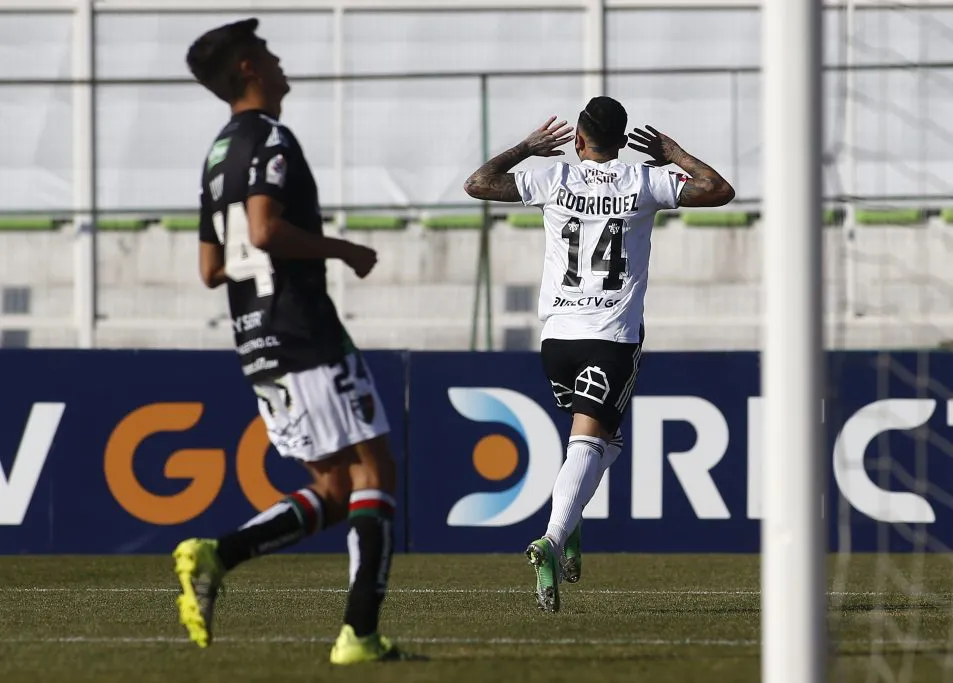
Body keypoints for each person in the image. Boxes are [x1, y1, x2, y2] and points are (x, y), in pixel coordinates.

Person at [174, 18, 406, 663]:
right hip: (303, 327)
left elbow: (210, 269)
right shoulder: (272, 137)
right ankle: (359, 634)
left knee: (335, 490)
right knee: (375, 471)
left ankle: (219, 554)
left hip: (255, 338)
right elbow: (267, 229)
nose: (278, 60)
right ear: (249, 69)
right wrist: (346, 249)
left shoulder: (218, 153)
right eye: (267, 52)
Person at [464, 97, 735, 612]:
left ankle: (570, 526)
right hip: (611, 336)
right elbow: (719, 190)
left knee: (604, 443)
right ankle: (551, 537)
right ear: (623, 139)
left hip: (557, 339)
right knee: (590, 444)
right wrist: (674, 153)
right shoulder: (643, 183)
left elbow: (477, 183)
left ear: (578, 139)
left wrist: (527, 147)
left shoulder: (554, 177)